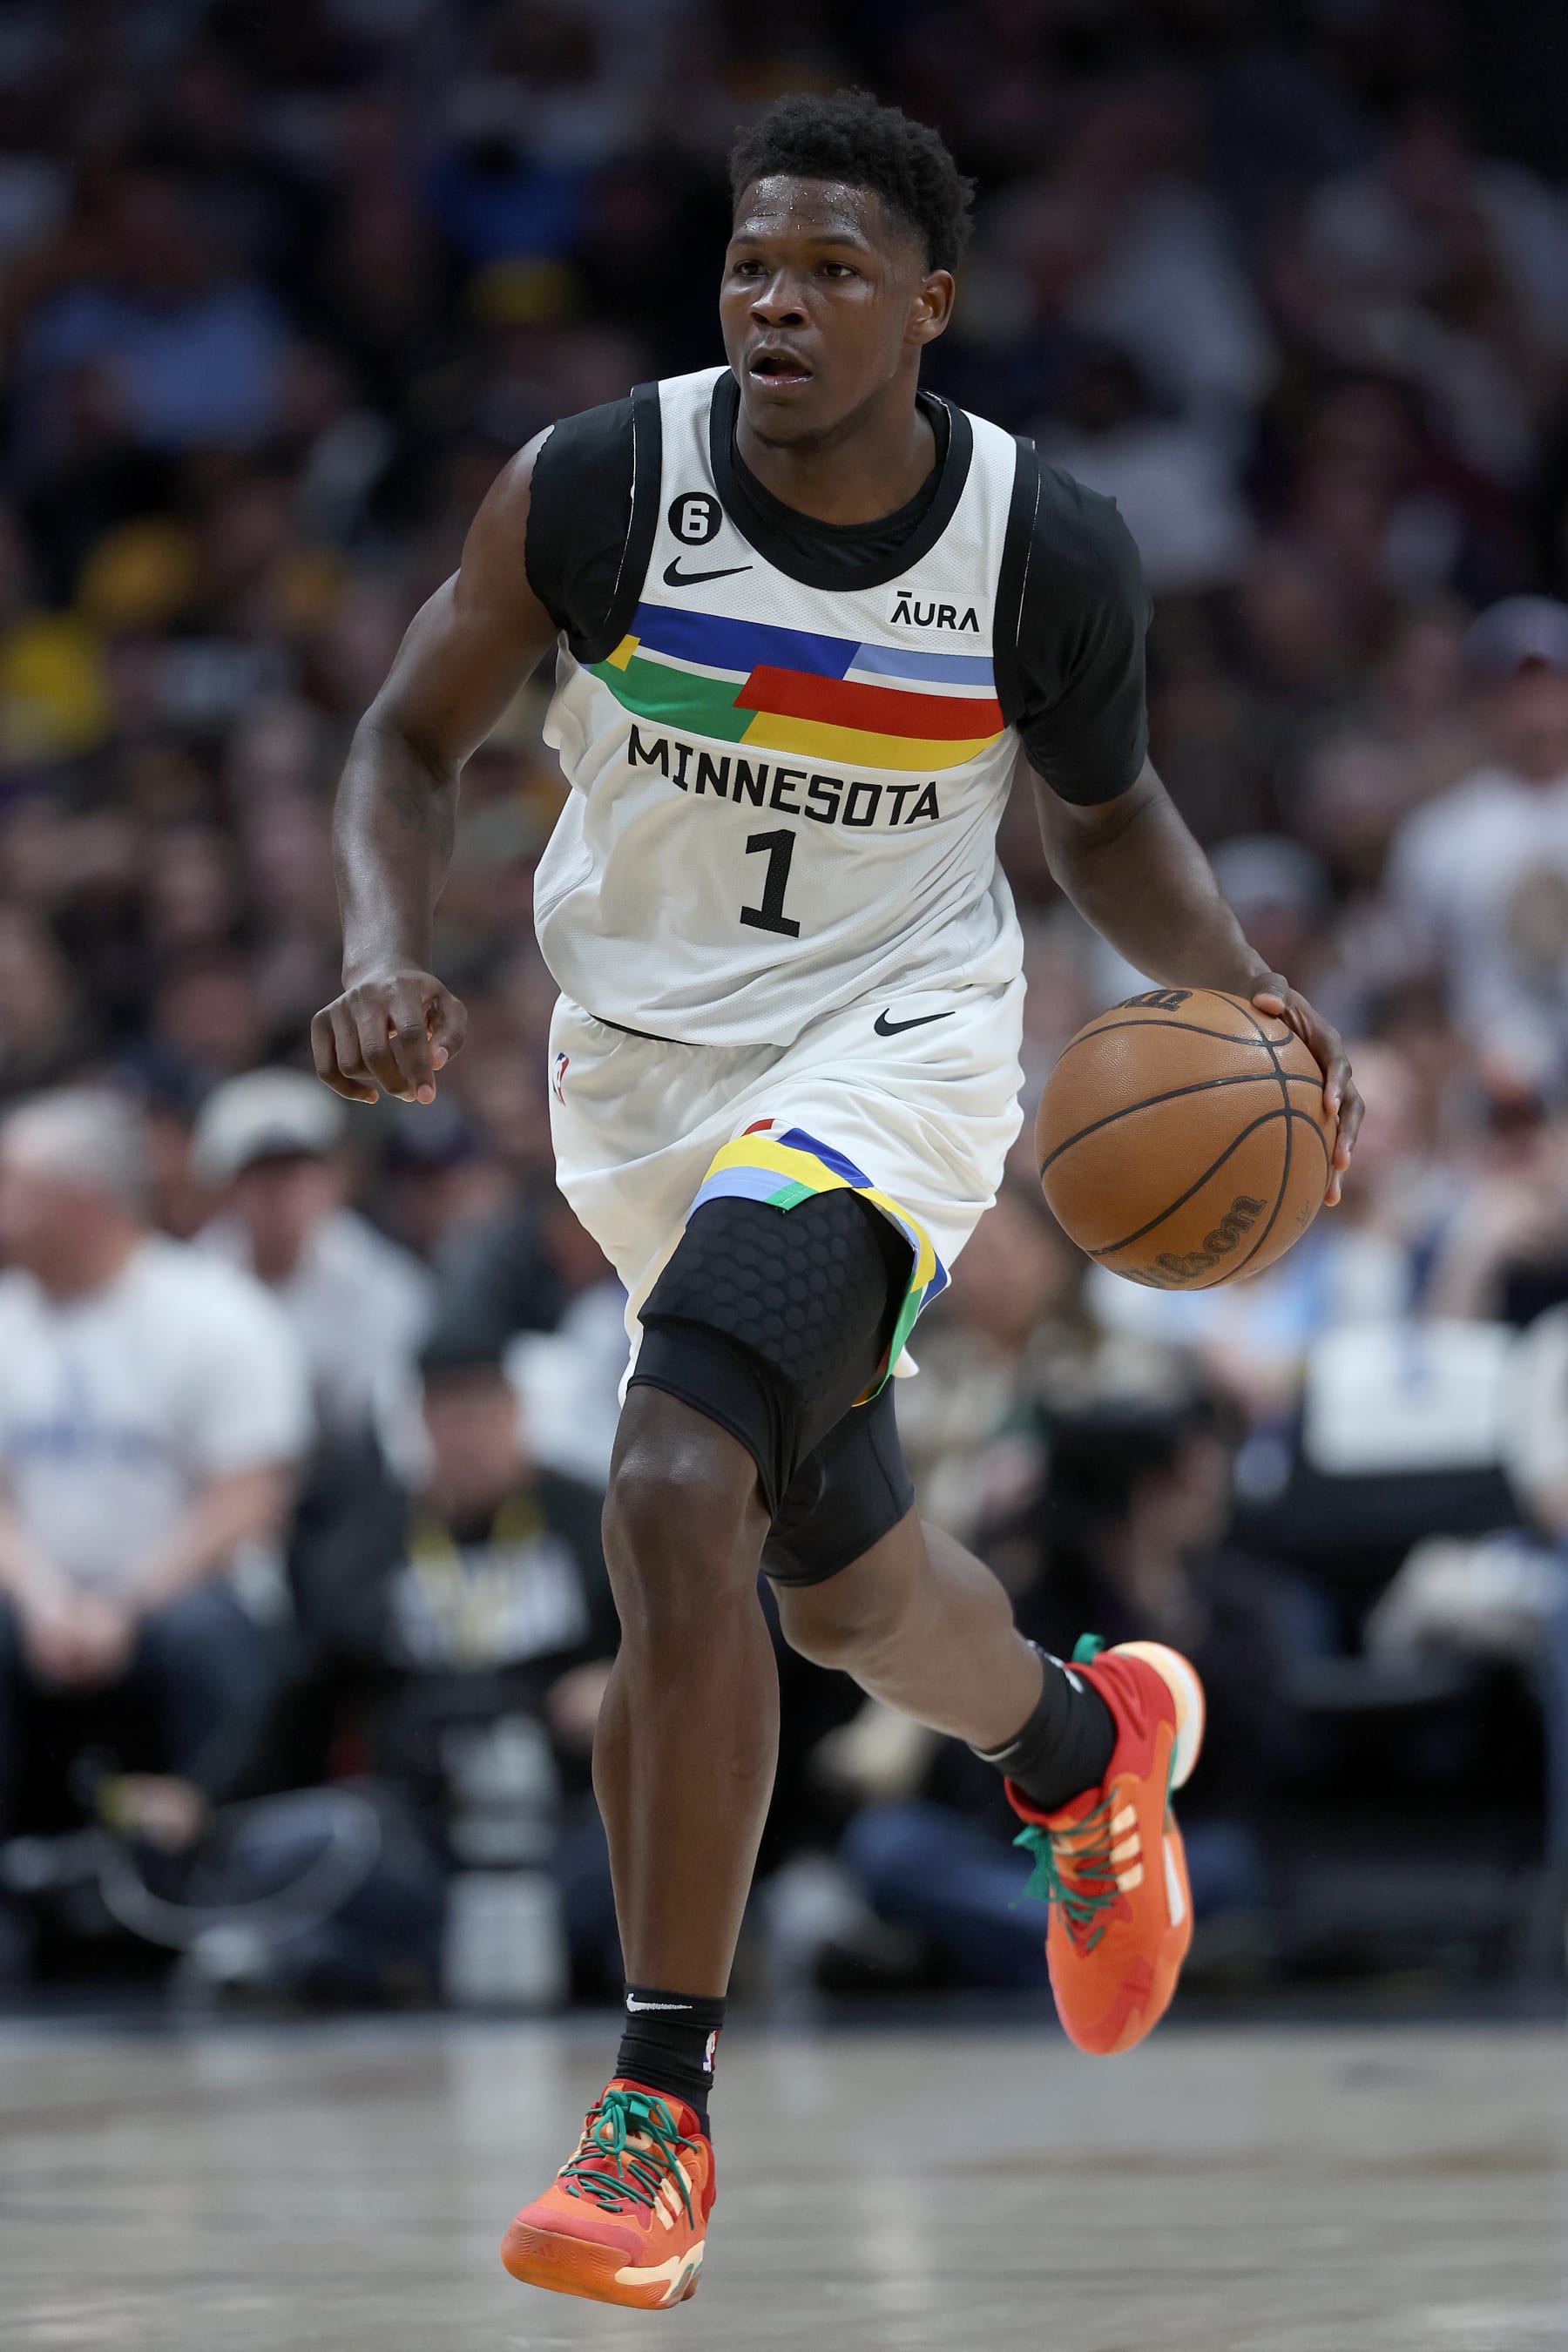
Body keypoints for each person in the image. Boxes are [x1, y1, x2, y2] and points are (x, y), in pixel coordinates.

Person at [311, 91, 1362, 2311]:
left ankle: (651, 2114)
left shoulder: (1037, 544)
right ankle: (1083, 1749)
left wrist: (1243, 994)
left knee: (676, 1478)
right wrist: (378, 945)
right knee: (840, 1582)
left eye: (832, 273)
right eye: (750, 268)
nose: (777, 304)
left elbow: (1106, 819)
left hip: (891, 1058)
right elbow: (407, 740)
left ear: (932, 307)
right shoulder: (598, 484)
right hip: (637, 1085)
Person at [0, 1089, 310, 1851]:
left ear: (85, 1203)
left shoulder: (213, 1313)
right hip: (40, 1599)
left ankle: (218, 1888)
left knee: (206, 1633)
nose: (3, 1205)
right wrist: (44, 1599)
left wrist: (122, 1606)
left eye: (17, 1186)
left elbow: (251, 1498)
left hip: (179, 1597)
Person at [192, 1066, 434, 1455]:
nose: (279, 1194)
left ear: (335, 1178)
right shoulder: (193, 1285)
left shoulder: (385, 1286)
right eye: (260, 1175)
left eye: (295, 1171)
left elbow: (394, 1425)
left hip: (351, 1483)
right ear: (225, 1187)